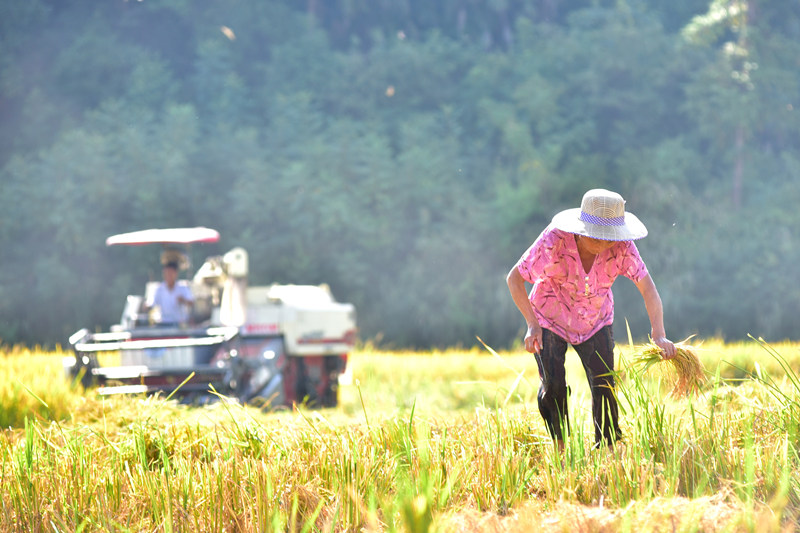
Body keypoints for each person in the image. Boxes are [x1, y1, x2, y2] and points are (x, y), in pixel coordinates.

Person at [506, 188, 676, 451]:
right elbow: (514, 279)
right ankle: (561, 448)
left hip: (596, 320)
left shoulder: (622, 248)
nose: (604, 243)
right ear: (581, 229)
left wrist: (659, 333)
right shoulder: (554, 241)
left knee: (605, 384)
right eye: (597, 237)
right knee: (553, 386)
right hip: (549, 318)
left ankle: (607, 450)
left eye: (610, 237)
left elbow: (648, 289)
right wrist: (532, 324)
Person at [145, 260, 194, 327]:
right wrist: (146, 307)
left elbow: (192, 303)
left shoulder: (183, 287)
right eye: (166, 273)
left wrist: (183, 300)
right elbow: (151, 304)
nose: (168, 276)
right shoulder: (159, 289)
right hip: (164, 324)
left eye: (170, 273)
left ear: (176, 273)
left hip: (180, 325)